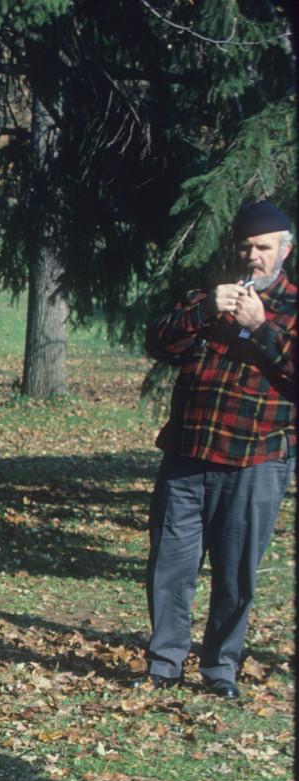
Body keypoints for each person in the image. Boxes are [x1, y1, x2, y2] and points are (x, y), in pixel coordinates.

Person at [141, 199, 296, 700]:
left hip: (257, 459)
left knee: (235, 573)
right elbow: (159, 343)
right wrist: (208, 308)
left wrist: (261, 327)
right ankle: (164, 664)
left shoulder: (292, 306)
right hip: (188, 454)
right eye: (247, 246)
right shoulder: (212, 299)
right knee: (170, 565)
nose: (254, 256)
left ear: (285, 250)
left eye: (264, 247)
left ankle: (220, 668)